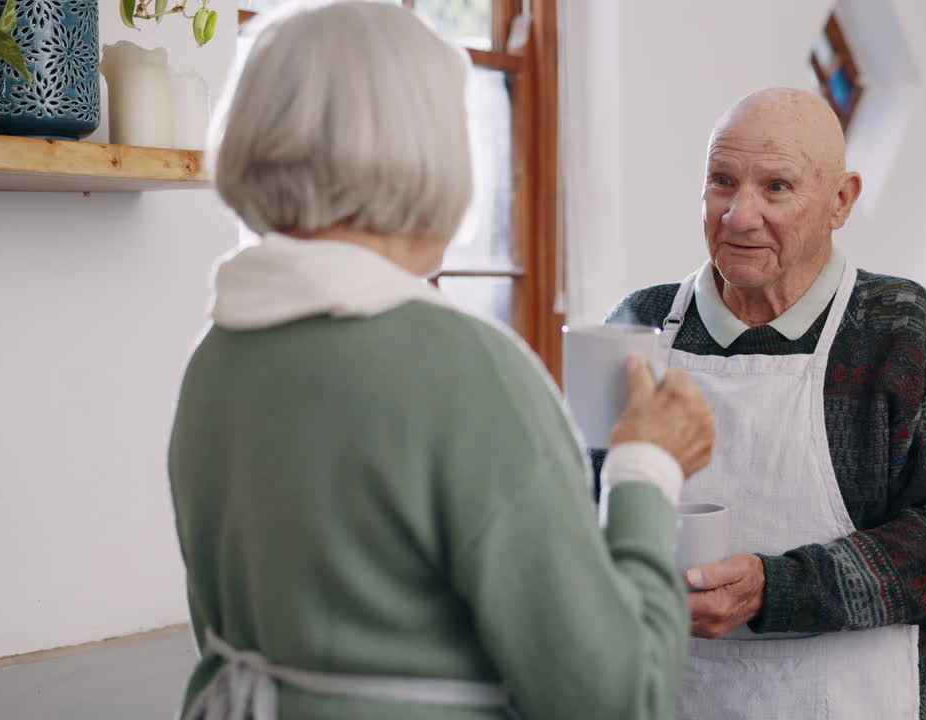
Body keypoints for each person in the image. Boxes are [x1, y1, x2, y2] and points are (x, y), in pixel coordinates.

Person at [167, 3, 716, 719]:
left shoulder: (216, 359)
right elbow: (614, 696)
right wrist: (648, 470)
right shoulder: (465, 369)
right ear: (432, 146)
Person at [604, 88, 926, 720]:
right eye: (721, 181)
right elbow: (584, 507)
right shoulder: (640, 323)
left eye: (777, 188)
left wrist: (777, 589)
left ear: (841, 201)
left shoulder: (898, 326)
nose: (738, 215)